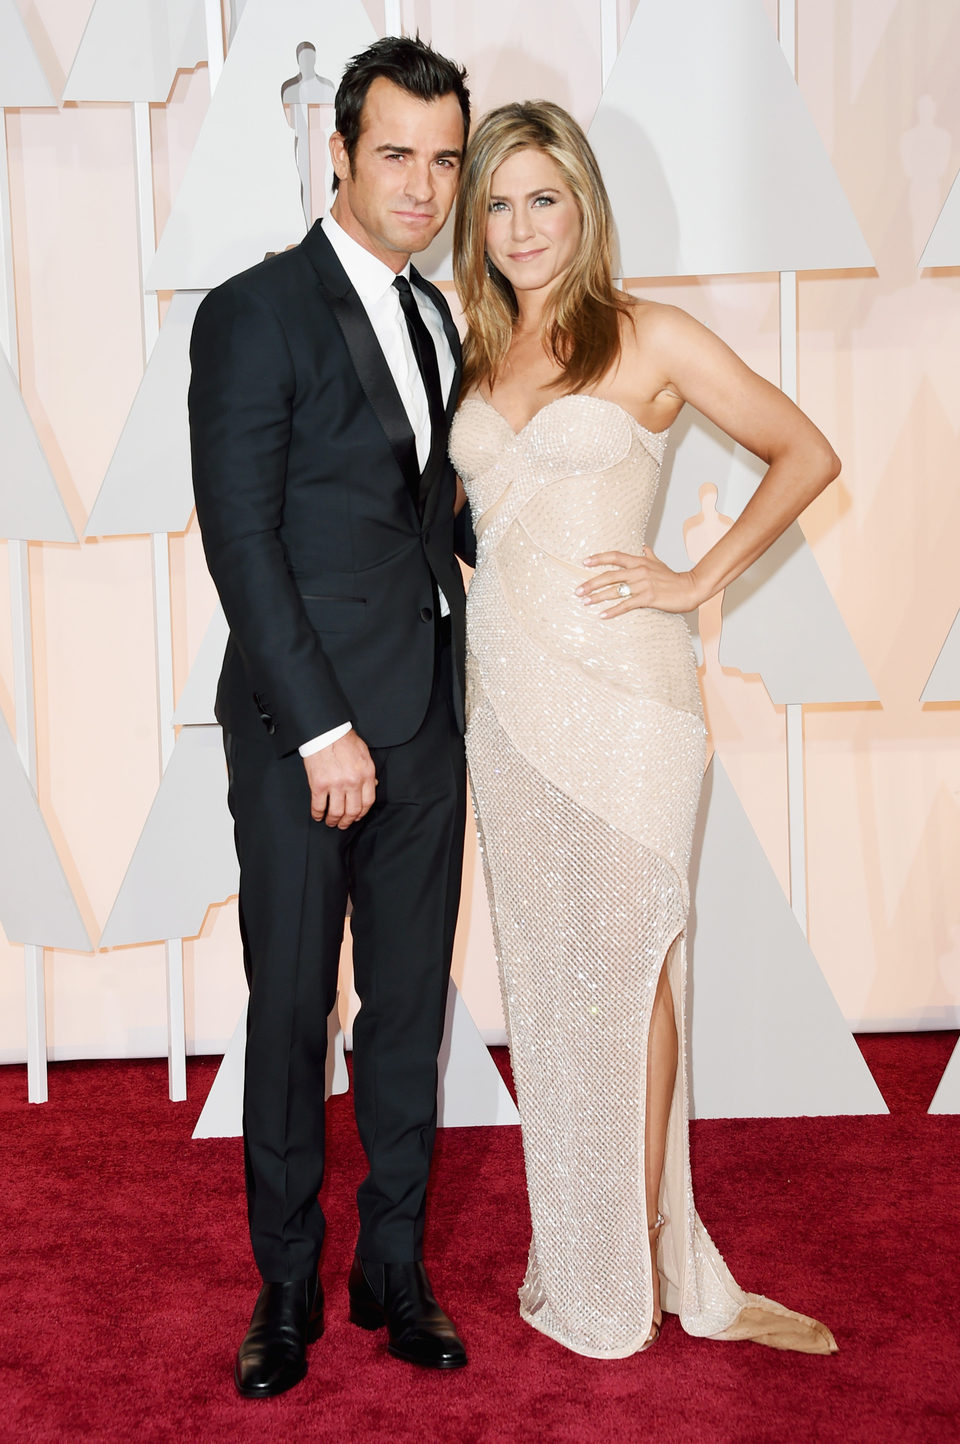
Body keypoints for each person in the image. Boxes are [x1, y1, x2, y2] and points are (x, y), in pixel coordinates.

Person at [450, 100, 841, 1359]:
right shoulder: (472, 348)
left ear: (584, 204)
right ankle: (589, 1246)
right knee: (553, 983)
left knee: (633, 969)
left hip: (628, 704)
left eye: (541, 198)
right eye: (497, 203)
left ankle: (626, 1257)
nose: (519, 225)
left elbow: (804, 450)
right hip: (507, 708)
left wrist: (695, 577)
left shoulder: (651, 334)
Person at [189, 37, 473, 1398]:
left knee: (407, 1017)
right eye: (399, 157)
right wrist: (318, 731)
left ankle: (393, 1271)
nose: (423, 188)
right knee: (295, 1010)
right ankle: (287, 1290)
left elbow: (434, 516)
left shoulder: (437, 318)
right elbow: (242, 540)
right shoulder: (257, 313)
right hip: (302, 736)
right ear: (342, 155)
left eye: (445, 162)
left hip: (425, 723)